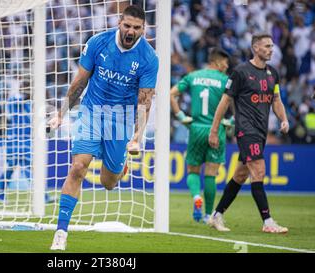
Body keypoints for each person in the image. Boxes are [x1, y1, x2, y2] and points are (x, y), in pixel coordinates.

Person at [47, 5, 159, 251]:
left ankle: (120, 167)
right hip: (91, 112)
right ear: (120, 22)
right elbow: (79, 83)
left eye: (136, 28)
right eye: (127, 25)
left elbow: (145, 101)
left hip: (120, 120)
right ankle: (61, 232)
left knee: (108, 182)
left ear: (144, 29)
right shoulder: (98, 42)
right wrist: (60, 114)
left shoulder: (149, 58)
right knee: (78, 167)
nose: (130, 31)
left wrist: (137, 136)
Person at [208, 33, 289, 233]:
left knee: (241, 174)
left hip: (261, 132)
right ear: (255, 48)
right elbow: (224, 102)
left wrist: (284, 119)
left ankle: (216, 216)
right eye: (267, 46)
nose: (271, 49)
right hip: (246, 130)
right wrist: (214, 130)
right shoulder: (240, 72)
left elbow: (276, 100)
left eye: (272, 46)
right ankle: (268, 222)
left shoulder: (273, 73)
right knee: (259, 171)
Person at [170, 48, 232, 223]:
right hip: (215, 129)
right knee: (211, 173)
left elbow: (171, 94)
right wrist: (232, 121)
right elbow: (238, 102)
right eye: (225, 62)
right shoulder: (225, 80)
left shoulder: (193, 76)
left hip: (195, 128)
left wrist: (181, 116)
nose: (227, 66)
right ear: (217, 62)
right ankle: (208, 214)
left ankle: (196, 196)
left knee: (193, 170)